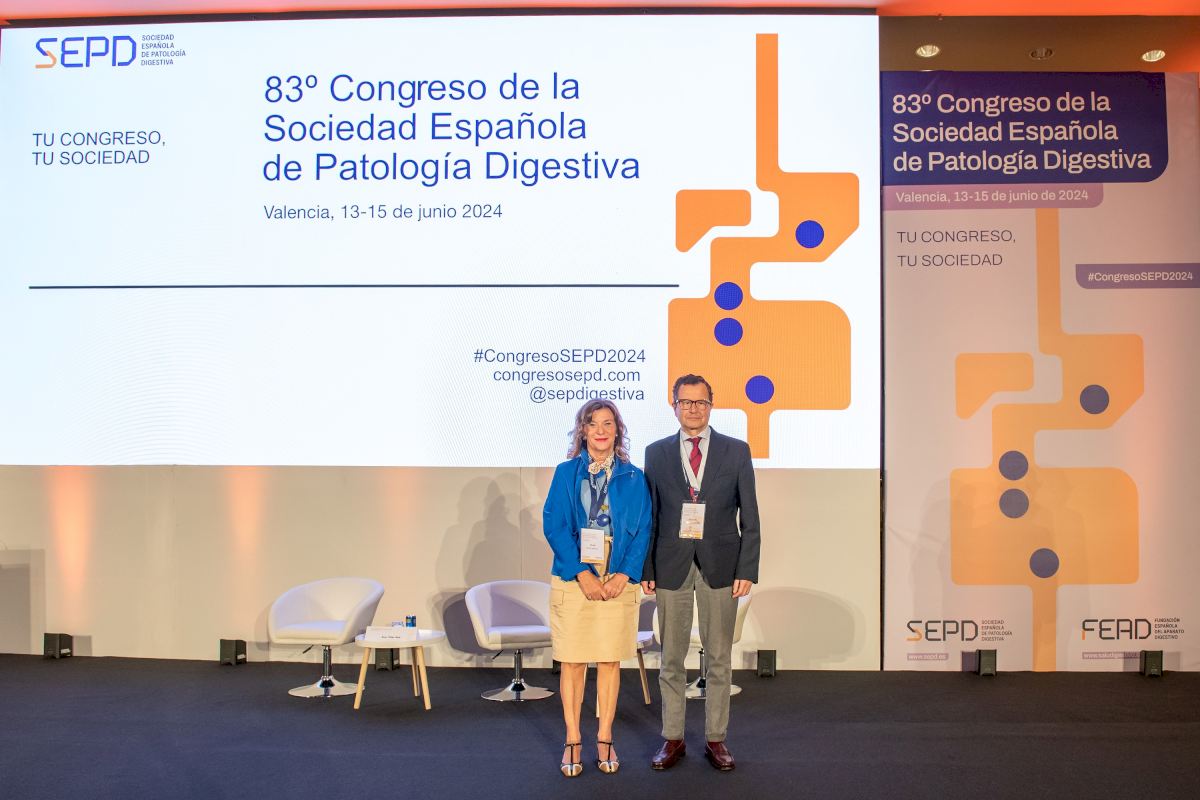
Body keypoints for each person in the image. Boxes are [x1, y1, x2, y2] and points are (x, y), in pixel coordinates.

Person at [641, 374, 760, 771]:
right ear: (673, 405)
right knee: (671, 658)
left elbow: (750, 515)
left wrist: (747, 567)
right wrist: (647, 567)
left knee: (719, 658)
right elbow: (651, 515)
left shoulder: (736, 450)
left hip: (722, 565)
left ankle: (716, 739)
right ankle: (672, 738)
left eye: (701, 402)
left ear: (712, 404)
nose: (693, 409)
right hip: (670, 564)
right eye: (686, 402)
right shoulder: (656, 453)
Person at [542, 398, 652, 778]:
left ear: (617, 430)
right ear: (583, 431)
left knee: (608, 660)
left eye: (608, 423)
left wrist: (624, 574)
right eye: (593, 423)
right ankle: (573, 738)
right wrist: (582, 574)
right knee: (572, 660)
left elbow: (644, 529)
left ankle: (605, 736)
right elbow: (554, 525)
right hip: (575, 572)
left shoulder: (634, 477)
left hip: (617, 572)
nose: (601, 430)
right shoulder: (565, 472)